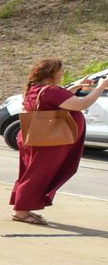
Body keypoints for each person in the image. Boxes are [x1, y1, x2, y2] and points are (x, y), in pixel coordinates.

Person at [9, 58, 106, 225]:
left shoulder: (37, 88)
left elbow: (53, 100)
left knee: (30, 174)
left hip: (34, 138)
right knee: (37, 176)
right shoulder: (50, 91)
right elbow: (82, 104)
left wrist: (76, 87)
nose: (62, 73)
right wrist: (101, 87)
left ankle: (22, 209)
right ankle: (21, 212)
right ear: (50, 75)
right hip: (48, 143)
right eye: (60, 70)